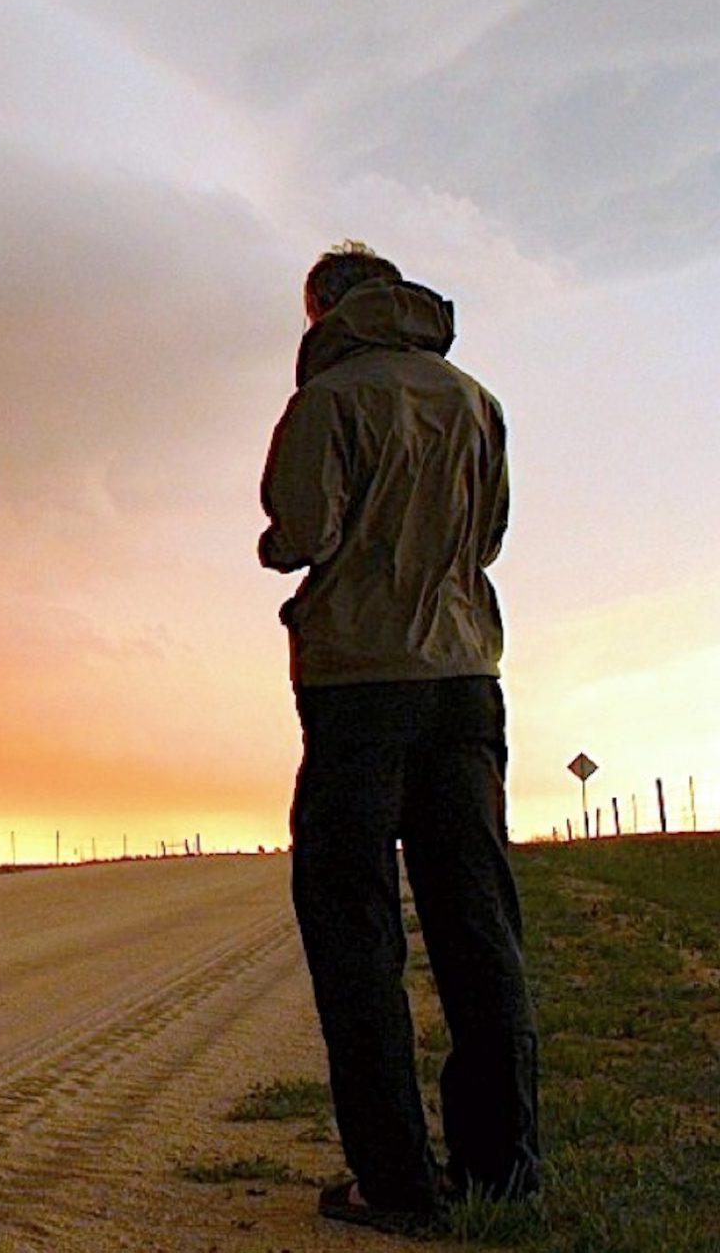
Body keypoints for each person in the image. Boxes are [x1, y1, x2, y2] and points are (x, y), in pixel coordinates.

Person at [259, 243, 539, 1234]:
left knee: (355, 930)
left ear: (327, 309)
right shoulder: (472, 398)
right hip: (466, 678)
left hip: (358, 686)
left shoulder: (327, 399)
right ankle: (502, 1168)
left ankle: (395, 1181)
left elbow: (303, 529)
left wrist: (278, 546)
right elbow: (491, 534)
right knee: (476, 924)